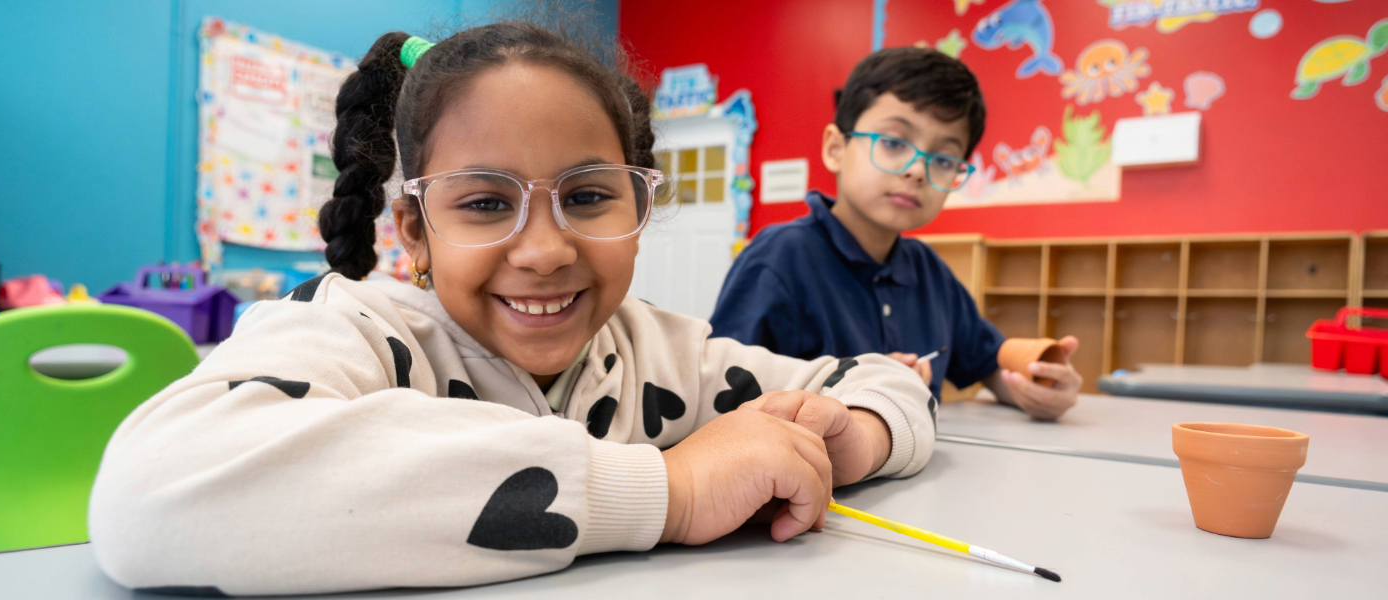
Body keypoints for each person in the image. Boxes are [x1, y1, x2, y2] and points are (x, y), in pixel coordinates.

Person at [88, 21, 935, 596]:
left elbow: (884, 382)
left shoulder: (666, 356)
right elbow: (145, 497)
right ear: (414, 230)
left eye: (590, 196)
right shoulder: (354, 329)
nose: (544, 250)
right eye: (486, 204)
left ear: (640, 210)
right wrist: (668, 490)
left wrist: (850, 432)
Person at [710, 47, 1081, 421]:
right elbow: (720, 399)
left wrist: (1035, 388)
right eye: (893, 143)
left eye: (943, 159)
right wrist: (857, 387)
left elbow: (987, 364)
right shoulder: (778, 259)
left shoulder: (929, 272)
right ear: (835, 148)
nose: (918, 171)